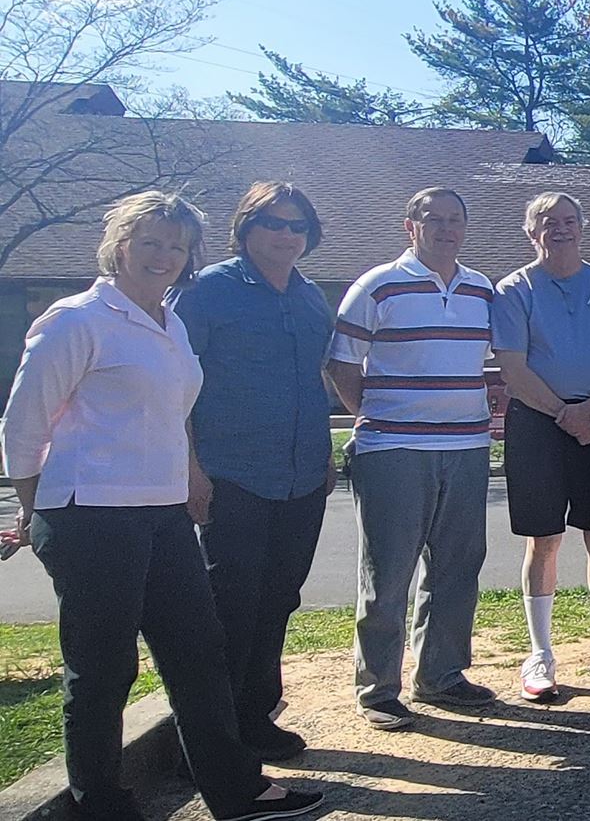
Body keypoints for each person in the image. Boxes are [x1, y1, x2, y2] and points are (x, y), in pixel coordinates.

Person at [4, 191, 325, 821]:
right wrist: (37, 512)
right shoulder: (76, 320)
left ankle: (234, 790)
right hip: (89, 515)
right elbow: (23, 426)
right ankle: (100, 803)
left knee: (199, 656)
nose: (164, 255)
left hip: (163, 512)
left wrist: (188, 479)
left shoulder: (168, 322)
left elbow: (173, 416)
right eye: (149, 242)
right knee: (102, 671)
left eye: (176, 245)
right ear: (119, 245)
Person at [172, 182, 335, 761]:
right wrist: (190, 468)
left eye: (297, 226)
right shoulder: (206, 291)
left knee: (278, 598)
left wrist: (325, 456)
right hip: (231, 474)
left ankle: (255, 717)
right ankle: (211, 740)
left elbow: (314, 381)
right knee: (230, 606)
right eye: (274, 223)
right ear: (245, 228)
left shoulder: (311, 297)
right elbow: (175, 385)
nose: (286, 235)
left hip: (302, 476)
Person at [328, 187, 498, 730]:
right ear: (411, 226)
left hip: (467, 447)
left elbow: (495, 361)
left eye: (455, 220)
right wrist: (377, 415)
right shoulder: (377, 285)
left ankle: (441, 675)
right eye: (433, 219)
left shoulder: (482, 289)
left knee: (456, 568)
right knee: (388, 573)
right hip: (392, 449)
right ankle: (378, 688)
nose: (445, 229)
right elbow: (341, 363)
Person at [492, 193, 590, 700]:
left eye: (568, 221)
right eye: (547, 222)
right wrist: (565, 414)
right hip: (537, 424)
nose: (559, 229)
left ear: (582, 226)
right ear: (530, 231)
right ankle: (540, 653)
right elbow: (513, 369)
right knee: (544, 540)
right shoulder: (514, 289)